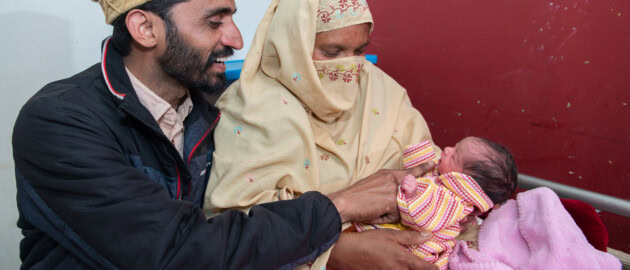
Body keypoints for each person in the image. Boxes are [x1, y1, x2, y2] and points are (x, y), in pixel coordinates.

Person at [12, 0, 436, 269]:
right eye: (215, 21)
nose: (236, 38)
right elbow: (179, 252)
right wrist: (338, 213)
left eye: (233, 17)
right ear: (145, 29)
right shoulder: (60, 122)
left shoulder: (217, 106)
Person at [203, 0, 440, 268]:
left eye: (359, 51)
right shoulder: (253, 107)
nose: (348, 67)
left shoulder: (379, 87)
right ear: (293, 45)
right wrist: (333, 253)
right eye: (331, 52)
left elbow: (429, 166)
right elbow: (231, 231)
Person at [355, 137, 518, 270]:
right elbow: (425, 171)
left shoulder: (453, 204)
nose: (447, 149)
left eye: (454, 156)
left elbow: (425, 218)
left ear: (464, 183)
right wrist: (419, 152)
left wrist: (413, 195)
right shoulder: (443, 180)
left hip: (418, 246)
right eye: (455, 145)